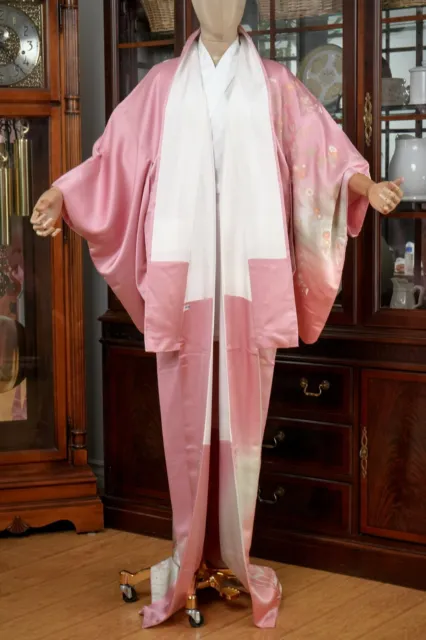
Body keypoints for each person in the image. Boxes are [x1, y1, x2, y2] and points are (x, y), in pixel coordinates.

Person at [30, 0, 403, 629]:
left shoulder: (275, 84)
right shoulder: (161, 86)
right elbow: (113, 162)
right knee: (185, 428)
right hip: (187, 279)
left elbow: (322, 152)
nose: (220, 5)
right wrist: (61, 193)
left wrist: (364, 185)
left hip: (247, 280)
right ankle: (188, 556)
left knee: (242, 429)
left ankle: (233, 555)